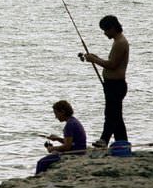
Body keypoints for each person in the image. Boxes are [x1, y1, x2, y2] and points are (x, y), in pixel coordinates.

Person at [83, 15, 129, 149]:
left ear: (113, 28)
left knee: (111, 115)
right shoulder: (118, 41)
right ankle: (123, 143)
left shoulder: (120, 43)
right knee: (116, 117)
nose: (104, 33)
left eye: (105, 30)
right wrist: (95, 58)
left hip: (116, 85)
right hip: (112, 85)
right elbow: (110, 63)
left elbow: (112, 65)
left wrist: (94, 60)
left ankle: (104, 140)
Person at [35, 100, 87, 175]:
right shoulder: (74, 121)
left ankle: (38, 178)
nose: (55, 117)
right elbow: (71, 142)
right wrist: (58, 139)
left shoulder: (69, 125)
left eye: (56, 113)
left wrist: (52, 149)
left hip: (75, 152)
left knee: (41, 162)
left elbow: (67, 147)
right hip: (80, 150)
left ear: (62, 112)